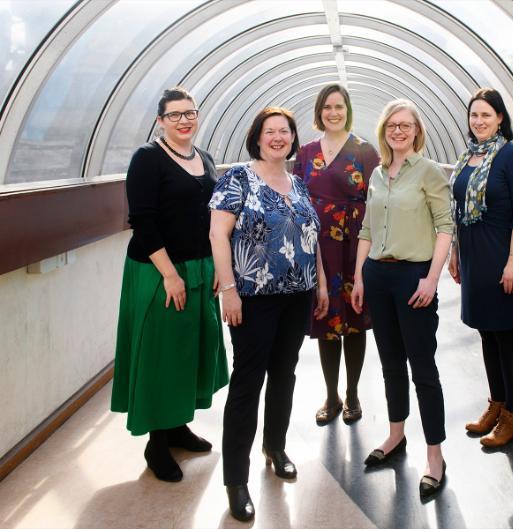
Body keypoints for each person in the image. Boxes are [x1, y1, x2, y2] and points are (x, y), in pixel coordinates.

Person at [209, 107, 328, 522]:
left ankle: (275, 447)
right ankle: (235, 481)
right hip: (253, 297)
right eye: (270, 131)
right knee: (247, 383)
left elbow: (311, 239)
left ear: (294, 139)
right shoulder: (238, 179)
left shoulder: (298, 183)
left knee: (285, 374)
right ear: (257, 138)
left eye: (285, 131)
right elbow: (218, 235)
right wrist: (228, 290)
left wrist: (322, 285)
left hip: (298, 295)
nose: (278, 137)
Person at [111, 87, 229, 482]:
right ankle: (156, 444)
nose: (184, 120)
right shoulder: (147, 159)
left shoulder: (206, 158)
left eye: (189, 113)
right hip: (160, 271)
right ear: (161, 121)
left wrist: (214, 265)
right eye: (175, 114)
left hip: (199, 268)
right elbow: (142, 220)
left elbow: (213, 217)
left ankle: (178, 426)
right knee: (161, 356)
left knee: (190, 350)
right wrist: (170, 274)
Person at [351, 99, 453, 498]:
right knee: (391, 363)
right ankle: (396, 435)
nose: (398, 130)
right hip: (378, 275)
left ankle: (435, 455)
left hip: (414, 278)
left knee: (423, 368)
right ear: (384, 129)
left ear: (416, 131)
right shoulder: (376, 174)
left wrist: (431, 279)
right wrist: (360, 277)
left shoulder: (429, 173)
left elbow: (445, 227)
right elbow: (366, 230)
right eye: (392, 124)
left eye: (406, 125)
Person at [447, 87, 513, 448]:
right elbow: (458, 212)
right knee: (486, 332)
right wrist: (455, 253)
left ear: (500, 118)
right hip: (473, 257)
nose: (478, 121)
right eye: (474, 115)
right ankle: (495, 406)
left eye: (486, 114)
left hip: (503, 259)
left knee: (507, 335)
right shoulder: (468, 156)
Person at [293, 84, 380, 425]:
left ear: (348, 110)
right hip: (318, 250)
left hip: (355, 246)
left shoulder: (365, 151)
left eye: (339, 106)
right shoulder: (305, 152)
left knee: (355, 320)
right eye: (327, 106)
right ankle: (331, 396)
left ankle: (353, 394)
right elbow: (296, 201)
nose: (333, 112)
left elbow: (377, 205)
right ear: (319, 111)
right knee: (325, 321)